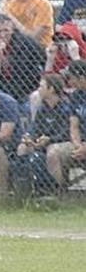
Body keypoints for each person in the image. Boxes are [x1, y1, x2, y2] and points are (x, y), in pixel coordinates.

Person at [15, 74, 68, 193]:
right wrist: (29, 137)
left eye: (41, 86)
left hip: (58, 142)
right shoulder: (42, 108)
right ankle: (26, 191)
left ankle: (60, 191)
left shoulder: (65, 108)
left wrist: (49, 139)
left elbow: (66, 133)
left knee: (51, 151)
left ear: (52, 89)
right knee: (22, 148)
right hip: (43, 142)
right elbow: (35, 128)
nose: (38, 89)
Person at [0, 14, 45, 104]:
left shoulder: (26, 43)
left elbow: (43, 59)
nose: (2, 35)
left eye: (6, 30)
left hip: (25, 90)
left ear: (12, 30)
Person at [54, 60, 86, 188]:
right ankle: (62, 193)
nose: (69, 82)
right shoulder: (76, 96)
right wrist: (78, 146)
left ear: (82, 77)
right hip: (80, 143)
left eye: (71, 78)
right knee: (54, 152)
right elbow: (74, 126)